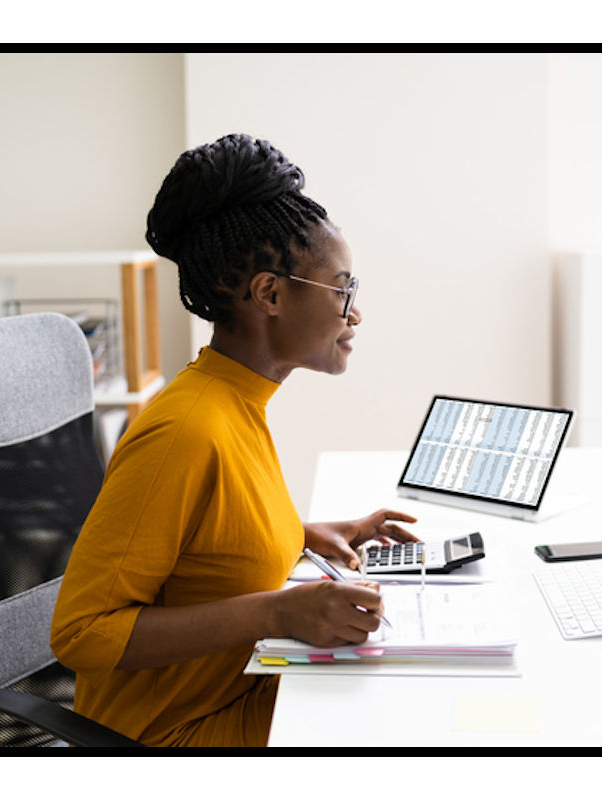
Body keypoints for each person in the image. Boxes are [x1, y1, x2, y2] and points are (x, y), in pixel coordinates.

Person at [50, 133, 418, 747]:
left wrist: (302, 533)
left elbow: (206, 542)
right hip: (173, 735)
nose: (355, 315)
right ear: (270, 295)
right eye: (343, 290)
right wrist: (276, 612)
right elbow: (81, 634)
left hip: (242, 692)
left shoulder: (237, 400)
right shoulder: (186, 430)